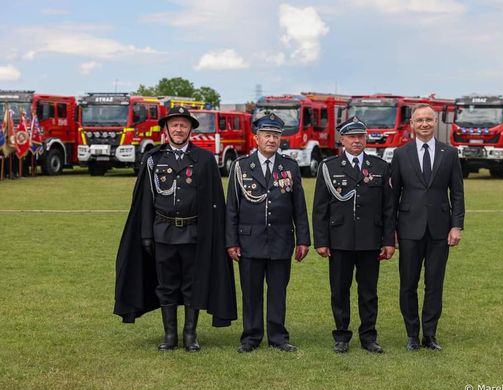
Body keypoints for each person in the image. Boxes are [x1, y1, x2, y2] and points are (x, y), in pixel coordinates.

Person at [114, 106, 237, 352]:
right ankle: (169, 335)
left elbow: (214, 203)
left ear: (190, 129)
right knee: (166, 285)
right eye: (174, 125)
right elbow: (145, 201)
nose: (178, 129)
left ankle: (190, 335)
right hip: (163, 233)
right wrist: (146, 234)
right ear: (166, 129)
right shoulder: (153, 159)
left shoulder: (204, 160)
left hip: (194, 234)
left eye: (183, 125)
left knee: (192, 284)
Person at [226, 113, 310, 353]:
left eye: (275, 136)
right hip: (249, 240)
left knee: (277, 291)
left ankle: (278, 336)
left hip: (281, 240)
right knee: (251, 292)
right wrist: (231, 241)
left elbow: (299, 208)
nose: (271, 140)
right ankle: (251, 337)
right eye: (267, 135)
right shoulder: (241, 166)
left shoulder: (290, 167)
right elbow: (232, 207)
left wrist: (303, 240)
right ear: (256, 138)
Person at [313, 116, 395, 354]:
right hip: (340, 239)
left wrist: (389, 240)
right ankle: (341, 336)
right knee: (339, 290)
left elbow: (388, 208)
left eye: (361, 136)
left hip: (371, 240)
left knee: (369, 292)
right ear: (342, 140)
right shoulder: (329, 167)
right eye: (351, 137)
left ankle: (369, 336)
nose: (357, 141)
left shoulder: (380, 167)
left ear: (366, 138)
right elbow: (320, 207)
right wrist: (321, 241)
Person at [390, 103, 465, 351]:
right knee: (408, 284)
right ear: (411, 124)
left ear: (436, 123)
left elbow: (457, 194)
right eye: (419, 120)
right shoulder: (401, 154)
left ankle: (430, 334)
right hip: (409, 230)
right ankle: (412, 334)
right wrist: (391, 232)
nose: (424, 124)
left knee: (434, 284)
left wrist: (456, 226)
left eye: (428, 120)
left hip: (439, 231)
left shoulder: (449, 153)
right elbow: (393, 196)